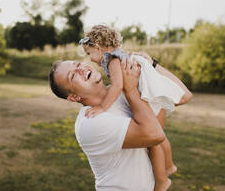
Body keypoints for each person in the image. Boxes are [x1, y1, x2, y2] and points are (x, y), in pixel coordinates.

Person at [49, 55, 192, 190]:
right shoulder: (90, 122)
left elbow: (183, 95)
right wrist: (131, 90)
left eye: (78, 64)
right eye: (73, 76)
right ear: (73, 97)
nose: (81, 69)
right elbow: (155, 135)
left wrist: (151, 64)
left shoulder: (121, 92)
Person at [78, 25, 187, 188]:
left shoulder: (113, 60)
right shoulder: (120, 55)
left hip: (145, 96)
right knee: (158, 137)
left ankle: (163, 179)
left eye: (89, 53)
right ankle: (168, 167)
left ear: (98, 47)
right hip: (147, 94)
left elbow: (116, 86)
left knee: (155, 141)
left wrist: (102, 108)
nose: (90, 59)